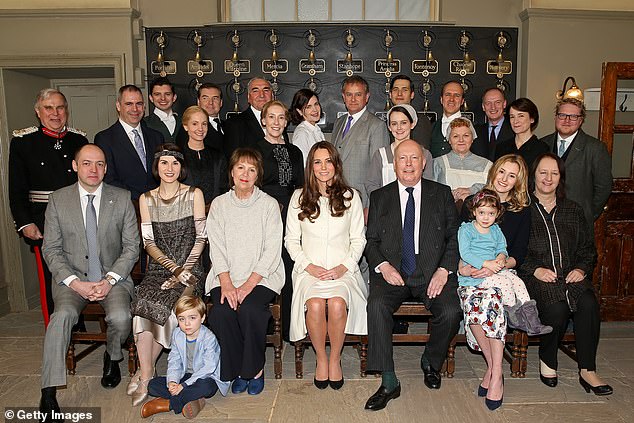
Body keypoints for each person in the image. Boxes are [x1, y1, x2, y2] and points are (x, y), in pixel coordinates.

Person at [39, 144, 139, 419]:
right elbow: (51, 249)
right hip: (71, 281)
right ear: (75, 166)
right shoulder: (59, 200)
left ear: (106, 168)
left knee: (120, 317)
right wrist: (74, 282)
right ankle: (48, 390)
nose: (93, 170)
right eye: (86, 163)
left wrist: (109, 279)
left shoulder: (121, 198)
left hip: (113, 279)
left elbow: (132, 247)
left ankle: (113, 355)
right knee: (62, 316)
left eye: (99, 164)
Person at [364, 140, 462, 411]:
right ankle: (388, 380)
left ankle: (431, 360)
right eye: (402, 159)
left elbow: (454, 236)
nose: (408, 164)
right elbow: (370, 241)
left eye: (414, 158)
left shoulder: (441, 194)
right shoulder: (380, 197)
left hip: (431, 272)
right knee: (376, 305)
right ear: (394, 164)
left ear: (424, 163)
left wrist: (444, 270)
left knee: (452, 311)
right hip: (393, 273)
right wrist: (383, 266)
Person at [519, 153, 613, 396]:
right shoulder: (522, 210)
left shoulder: (573, 209)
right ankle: (548, 358)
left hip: (571, 277)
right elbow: (513, 251)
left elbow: (587, 249)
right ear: (533, 176)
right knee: (557, 309)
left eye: (554, 173)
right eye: (543, 172)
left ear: (561, 178)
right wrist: (535, 270)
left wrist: (581, 269)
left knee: (589, 303)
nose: (548, 178)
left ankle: (587, 370)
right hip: (536, 278)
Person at [129, 143, 207, 406]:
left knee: (171, 306)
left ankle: (145, 373)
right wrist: (173, 269)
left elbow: (201, 237)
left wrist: (184, 270)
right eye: (164, 163)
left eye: (174, 163)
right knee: (143, 304)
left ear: (181, 166)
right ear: (157, 167)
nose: (169, 168)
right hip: (159, 268)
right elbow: (148, 243)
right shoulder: (146, 199)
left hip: (191, 268)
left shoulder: (194, 194)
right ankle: (147, 370)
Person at [285, 142, 368, 390]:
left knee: (338, 304)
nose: (323, 167)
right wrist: (308, 266)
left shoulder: (351, 197)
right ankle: (321, 359)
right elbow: (291, 240)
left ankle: (335, 359)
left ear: (336, 165)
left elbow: (358, 239)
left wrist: (344, 266)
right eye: (317, 162)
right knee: (315, 304)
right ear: (310, 166)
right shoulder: (298, 198)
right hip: (309, 271)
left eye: (328, 161)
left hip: (343, 271)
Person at [206, 148, 284, 396]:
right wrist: (227, 284)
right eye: (241, 167)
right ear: (231, 171)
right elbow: (215, 248)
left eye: (252, 169)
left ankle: (255, 370)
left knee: (251, 309)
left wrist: (248, 286)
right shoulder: (219, 205)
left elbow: (272, 250)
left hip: (263, 277)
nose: (245, 174)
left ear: (258, 175)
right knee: (220, 312)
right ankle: (238, 369)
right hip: (225, 275)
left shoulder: (269, 205)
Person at [9, 88, 88, 325]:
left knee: (80, 270)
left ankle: (78, 324)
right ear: (38, 111)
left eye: (60, 107)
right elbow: (16, 188)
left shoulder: (78, 140)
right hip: (42, 220)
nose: (55, 113)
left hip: (78, 218)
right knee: (50, 276)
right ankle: (56, 328)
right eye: (49, 108)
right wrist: (24, 223)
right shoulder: (24, 142)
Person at [458, 188, 552, 336]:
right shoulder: (467, 230)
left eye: (491, 213)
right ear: (474, 211)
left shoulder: (495, 230)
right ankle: (513, 314)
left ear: (497, 214)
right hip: (475, 274)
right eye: (482, 212)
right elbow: (465, 253)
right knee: (505, 283)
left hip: (496, 268)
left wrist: (502, 257)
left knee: (518, 282)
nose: (486, 217)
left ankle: (532, 320)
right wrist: (487, 264)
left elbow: (502, 248)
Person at [255, 100, 304, 341]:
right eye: (271, 117)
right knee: (265, 265)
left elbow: (301, 185)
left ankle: (288, 327)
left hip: (291, 213)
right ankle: (263, 326)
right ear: (263, 120)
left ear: (287, 121)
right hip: (263, 213)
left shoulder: (295, 151)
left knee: (289, 267)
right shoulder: (255, 150)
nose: (276, 122)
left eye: (281, 118)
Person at [140, 296, 230, 419]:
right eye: (181, 319)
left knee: (207, 387)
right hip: (185, 375)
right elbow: (174, 361)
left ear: (202, 318)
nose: (187, 323)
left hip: (205, 377)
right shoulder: (177, 334)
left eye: (192, 318)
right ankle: (194, 399)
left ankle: (168, 404)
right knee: (152, 385)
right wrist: (173, 381)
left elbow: (209, 367)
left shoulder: (209, 338)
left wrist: (184, 385)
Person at [540, 98, 612, 238]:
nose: (567, 120)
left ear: (581, 120)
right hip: (544, 222)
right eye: (562, 115)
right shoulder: (543, 144)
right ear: (556, 117)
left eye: (573, 116)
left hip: (578, 224)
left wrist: (588, 214)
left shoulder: (595, 148)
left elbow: (604, 187)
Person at [330, 75, 390, 214]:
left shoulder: (376, 126)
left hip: (361, 201)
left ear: (367, 96)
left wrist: (370, 205)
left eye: (358, 94)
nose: (353, 99)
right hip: (336, 197)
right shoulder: (339, 123)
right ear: (343, 96)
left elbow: (379, 172)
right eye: (349, 94)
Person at [95, 84, 163, 200]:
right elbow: (108, 179)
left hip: (158, 205)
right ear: (118, 106)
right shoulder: (105, 139)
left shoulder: (156, 137)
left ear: (144, 106)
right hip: (125, 207)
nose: (135, 109)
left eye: (139, 104)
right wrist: (142, 198)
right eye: (129, 104)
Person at [366, 104, 433, 197]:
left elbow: (428, 185)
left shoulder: (424, 154)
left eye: (403, 123)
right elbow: (371, 185)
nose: (399, 128)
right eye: (394, 123)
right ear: (389, 127)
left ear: (412, 124)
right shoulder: (380, 155)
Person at [433, 117, 492, 203]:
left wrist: (472, 190)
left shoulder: (487, 165)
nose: (461, 140)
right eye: (456, 136)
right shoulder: (438, 163)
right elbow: (432, 192)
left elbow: (493, 191)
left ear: (472, 139)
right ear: (449, 139)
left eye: (466, 135)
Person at [224, 77, 287, 158]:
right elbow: (232, 158)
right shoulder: (235, 123)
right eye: (255, 91)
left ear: (272, 95)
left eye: (266, 90)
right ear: (248, 97)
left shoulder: (279, 121)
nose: (261, 95)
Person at [180, 105, 228, 206]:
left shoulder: (218, 156)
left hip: (215, 213)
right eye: (194, 124)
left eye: (204, 124)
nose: (200, 128)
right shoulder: (178, 157)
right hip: (186, 214)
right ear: (185, 126)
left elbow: (224, 188)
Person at [494, 97, 549, 170]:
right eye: (512, 117)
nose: (515, 121)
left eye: (521, 116)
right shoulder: (501, 147)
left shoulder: (542, 149)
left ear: (532, 119)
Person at [389, 74, 432, 149]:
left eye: (405, 90)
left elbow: (421, 152)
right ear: (390, 94)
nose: (399, 94)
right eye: (395, 90)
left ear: (412, 95)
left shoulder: (421, 121)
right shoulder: (383, 122)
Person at [473, 87, 514, 161]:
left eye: (497, 102)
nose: (493, 107)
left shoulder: (514, 130)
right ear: (483, 107)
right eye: (488, 103)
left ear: (504, 104)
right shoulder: (475, 132)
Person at [429, 80, 466, 158]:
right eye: (448, 95)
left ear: (462, 101)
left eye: (457, 95)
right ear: (441, 100)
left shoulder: (472, 128)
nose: (451, 99)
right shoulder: (431, 128)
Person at [290, 88, 325, 166]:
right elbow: (304, 164)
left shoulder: (316, 129)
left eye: (316, 104)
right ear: (299, 111)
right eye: (308, 107)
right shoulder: (302, 133)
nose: (315, 110)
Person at [144, 77, 181, 143]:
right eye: (157, 94)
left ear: (174, 97)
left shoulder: (184, 121)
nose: (163, 98)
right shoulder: (144, 123)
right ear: (151, 98)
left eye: (167, 94)